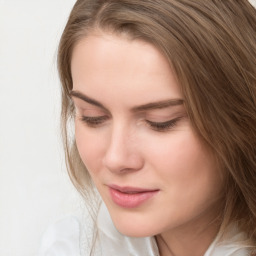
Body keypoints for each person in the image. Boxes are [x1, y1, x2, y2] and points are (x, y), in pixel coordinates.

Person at [39, 0, 256, 255]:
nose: (116, 159)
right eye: (92, 117)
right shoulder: (70, 246)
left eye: (160, 122)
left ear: (242, 120)